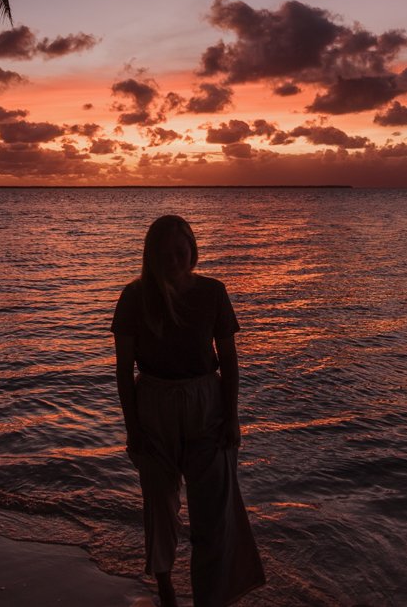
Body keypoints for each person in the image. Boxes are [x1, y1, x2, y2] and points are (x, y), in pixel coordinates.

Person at [111, 215, 265, 607]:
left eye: (181, 252)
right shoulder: (134, 296)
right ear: (151, 256)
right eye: (165, 255)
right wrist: (133, 429)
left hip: (206, 404)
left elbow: (228, 361)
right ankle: (166, 592)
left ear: (192, 251)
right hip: (154, 405)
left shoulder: (213, 292)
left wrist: (232, 418)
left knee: (214, 512)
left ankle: (210, 597)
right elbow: (123, 367)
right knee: (159, 507)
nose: (174, 260)